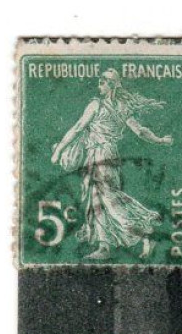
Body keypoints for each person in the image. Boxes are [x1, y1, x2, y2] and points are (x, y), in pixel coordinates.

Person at [49, 69, 174, 261]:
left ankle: (144, 232)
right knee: (97, 199)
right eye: (100, 81)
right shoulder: (122, 108)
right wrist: (160, 140)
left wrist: (58, 151)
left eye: (103, 81)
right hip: (108, 155)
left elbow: (77, 128)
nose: (99, 84)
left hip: (100, 154)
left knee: (106, 198)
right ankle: (104, 246)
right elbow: (140, 131)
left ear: (112, 85)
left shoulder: (95, 105)